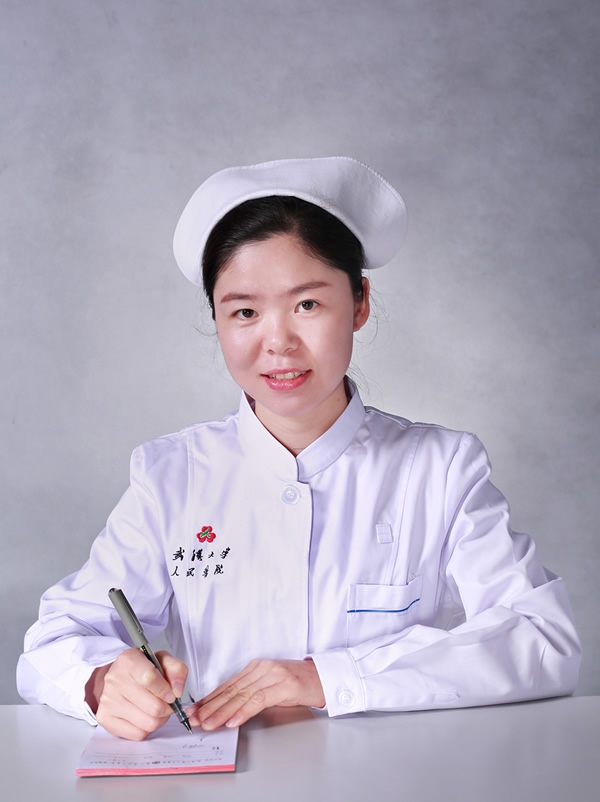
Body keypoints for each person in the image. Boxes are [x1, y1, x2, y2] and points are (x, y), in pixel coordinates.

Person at [17, 157, 581, 741]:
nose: (278, 343)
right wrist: (101, 683)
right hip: (222, 778)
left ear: (359, 302)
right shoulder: (171, 475)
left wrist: (328, 678)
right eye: (245, 312)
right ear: (217, 319)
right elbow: (52, 642)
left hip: (394, 777)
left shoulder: (441, 469)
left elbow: (543, 639)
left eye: (307, 305)